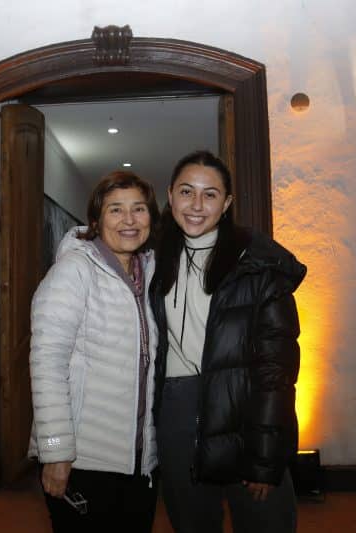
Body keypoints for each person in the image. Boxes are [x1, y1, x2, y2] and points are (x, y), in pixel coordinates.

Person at [150, 150, 306, 533]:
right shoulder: (152, 258)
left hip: (245, 410)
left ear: (227, 203)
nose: (196, 205)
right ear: (170, 196)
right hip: (178, 413)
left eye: (210, 194)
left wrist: (265, 458)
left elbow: (277, 371)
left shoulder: (258, 267)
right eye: (186, 191)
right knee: (192, 523)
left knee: (265, 521)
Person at [28, 171, 161, 533]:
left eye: (139, 209)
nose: (129, 220)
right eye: (115, 209)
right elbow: (46, 366)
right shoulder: (73, 271)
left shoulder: (149, 275)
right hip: (83, 461)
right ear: (96, 221)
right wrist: (56, 452)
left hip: (138, 461)